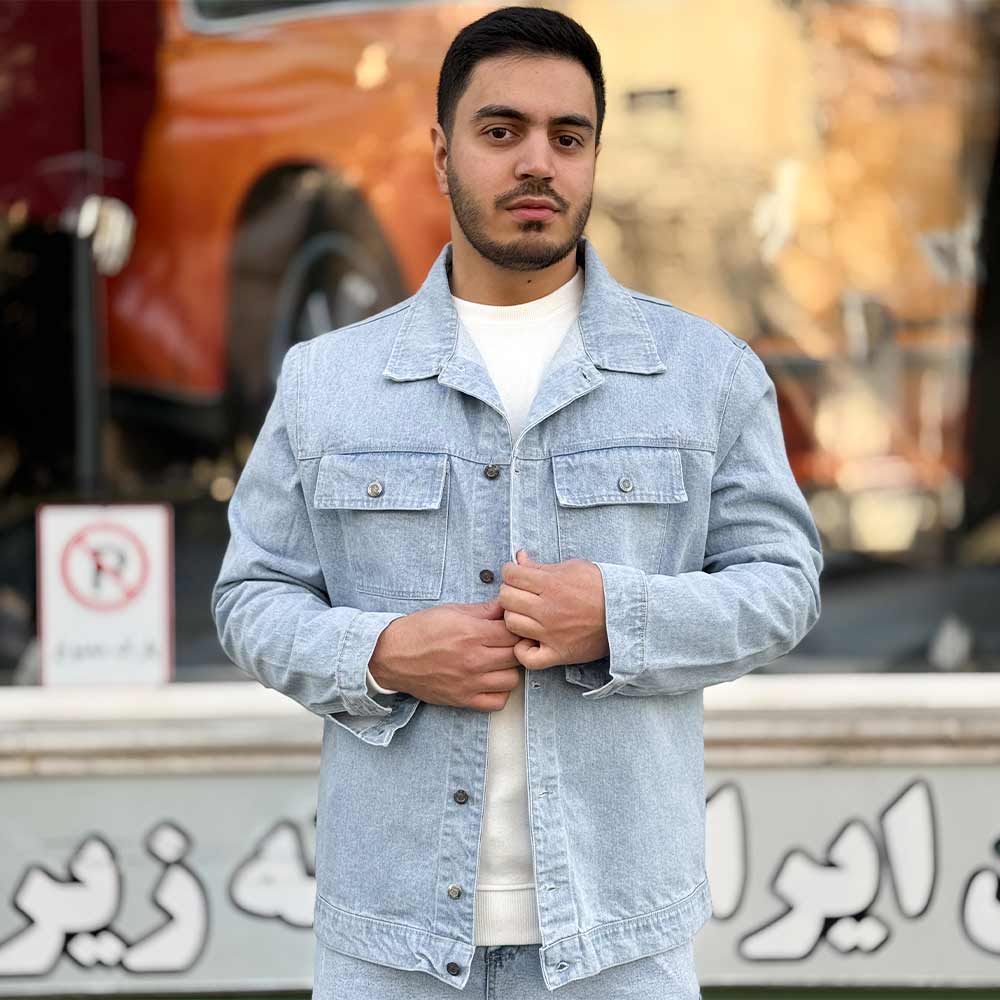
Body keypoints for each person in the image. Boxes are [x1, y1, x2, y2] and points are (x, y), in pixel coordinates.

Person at [211, 6, 823, 997]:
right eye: (501, 131)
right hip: (390, 945)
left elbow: (783, 587)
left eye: (567, 137)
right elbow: (250, 597)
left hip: (618, 947)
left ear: (594, 158)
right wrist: (379, 651)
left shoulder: (703, 375)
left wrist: (618, 617)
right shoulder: (330, 381)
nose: (537, 162)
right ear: (441, 152)